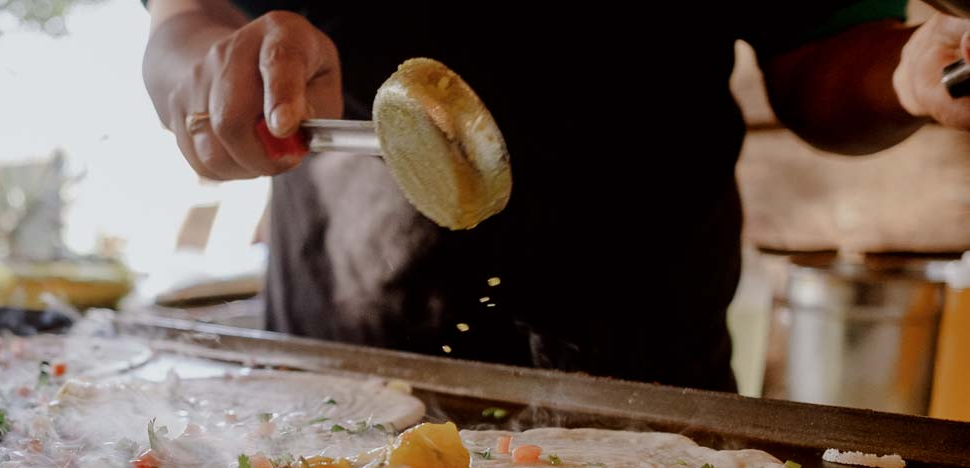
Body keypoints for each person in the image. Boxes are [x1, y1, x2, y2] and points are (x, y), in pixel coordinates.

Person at [141, 3, 970, 390]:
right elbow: (185, 22)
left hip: (651, 367)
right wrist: (214, 68)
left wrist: (906, 71)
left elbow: (814, 53)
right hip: (349, 359)